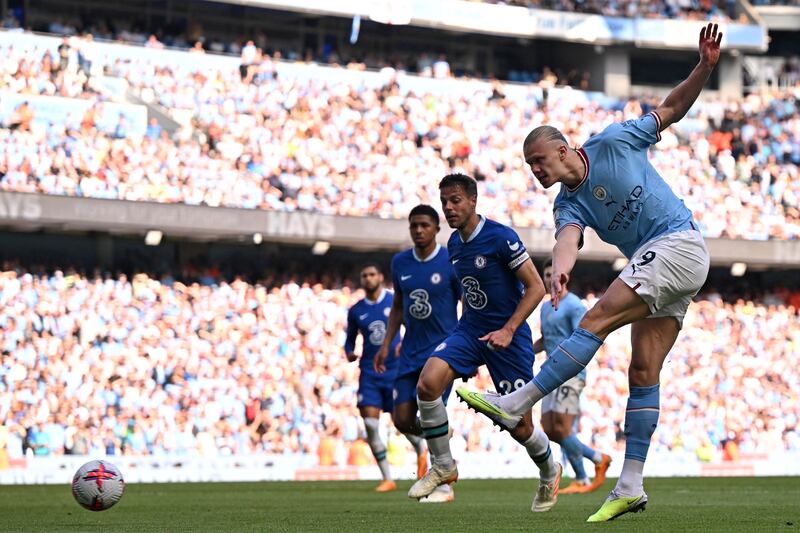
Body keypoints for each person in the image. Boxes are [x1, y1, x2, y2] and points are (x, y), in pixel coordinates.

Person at [458, 23, 721, 522]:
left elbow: (669, 110)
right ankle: (630, 484)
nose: (535, 171)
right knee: (642, 371)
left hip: (678, 244)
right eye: (529, 166)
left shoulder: (615, 141)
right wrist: (558, 273)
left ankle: (519, 401)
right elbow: (567, 240)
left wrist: (704, 67)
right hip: (661, 261)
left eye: (538, 161)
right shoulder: (568, 203)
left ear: (563, 150)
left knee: (595, 320)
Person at [408, 173, 562, 513]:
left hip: (510, 338)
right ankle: (443, 466)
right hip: (471, 331)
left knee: (520, 427)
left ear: (473, 201)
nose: (448, 208)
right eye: (444, 201)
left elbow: (536, 287)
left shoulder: (500, 238)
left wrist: (508, 329)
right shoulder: (454, 244)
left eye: (455, 201)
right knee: (427, 383)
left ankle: (550, 469)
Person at [374, 204, 461, 503]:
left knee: (428, 414)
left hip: (441, 352)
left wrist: (464, 343)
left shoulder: (450, 259)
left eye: (425, 225)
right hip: (409, 351)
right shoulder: (400, 262)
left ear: (437, 229)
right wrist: (387, 344)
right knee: (401, 419)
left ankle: (444, 486)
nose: (419, 230)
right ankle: (442, 443)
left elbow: (467, 302)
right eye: (414, 225)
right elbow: (398, 305)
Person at [535, 259, 611, 494]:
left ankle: (582, 478)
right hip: (550, 371)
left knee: (563, 426)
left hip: (570, 372)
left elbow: (584, 338)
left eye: (553, 274)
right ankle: (597, 458)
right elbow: (546, 340)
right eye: (546, 274)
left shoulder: (574, 305)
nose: (549, 278)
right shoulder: (546, 307)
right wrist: (524, 349)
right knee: (549, 428)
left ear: (563, 277)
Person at [344, 262, 401, 492]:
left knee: (403, 423)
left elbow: (412, 327)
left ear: (380, 277)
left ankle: (421, 451)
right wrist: (349, 351)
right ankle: (387, 477)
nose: (368, 278)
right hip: (369, 371)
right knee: (369, 423)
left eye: (372, 274)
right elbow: (349, 339)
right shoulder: (356, 310)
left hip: (395, 370)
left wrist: (405, 344)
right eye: (364, 275)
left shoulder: (394, 301)